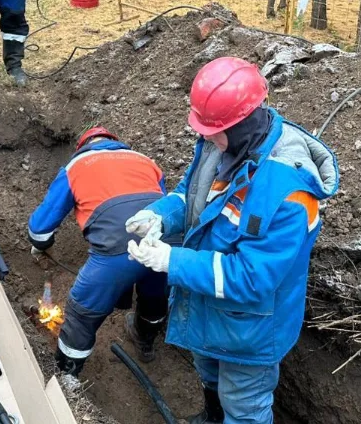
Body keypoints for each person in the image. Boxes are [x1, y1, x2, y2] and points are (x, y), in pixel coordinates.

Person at [126, 57, 340, 424]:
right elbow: (191, 193)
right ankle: (212, 418)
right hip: (207, 301)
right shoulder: (219, 144)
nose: (206, 137)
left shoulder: (289, 194)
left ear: (241, 125)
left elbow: (253, 278)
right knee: (209, 373)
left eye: (213, 130)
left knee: (243, 405)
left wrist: (171, 262)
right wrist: (160, 215)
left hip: (251, 326)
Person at [27, 126, 171, 383]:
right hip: (164, 241)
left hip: (115, 249)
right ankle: (145, 340)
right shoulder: (145, 160)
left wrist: (42, 245)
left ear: (83, 145)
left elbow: (39, 229)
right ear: (116, 143)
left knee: (81, 314)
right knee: (155, 294)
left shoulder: (76, 165)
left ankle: (68, 378)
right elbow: (166, 203)